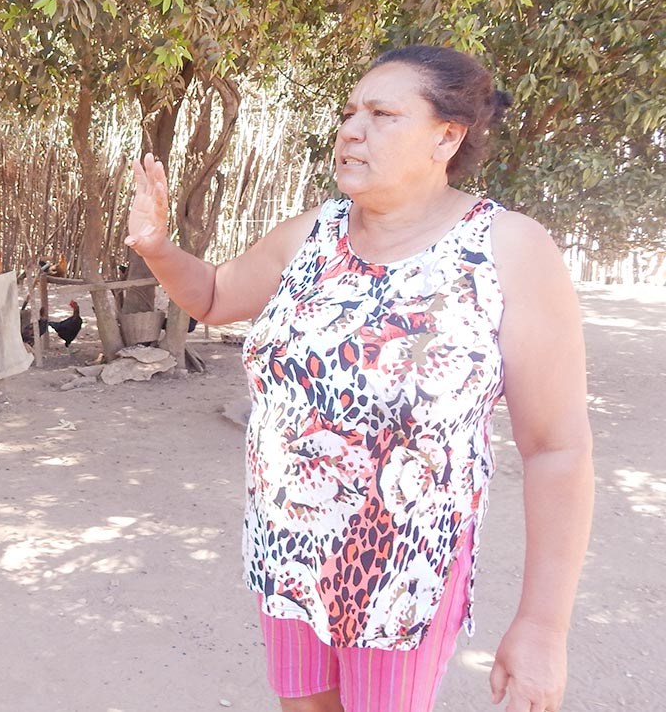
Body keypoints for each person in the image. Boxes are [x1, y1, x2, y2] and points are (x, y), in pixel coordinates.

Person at [125, 45, 593, 712]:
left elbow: (558, 448)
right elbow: (213, 296)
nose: (351, 129)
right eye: (349, 112)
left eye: (381, 114)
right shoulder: (315, 234)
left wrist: (545, 626)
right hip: (288, 550)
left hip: (402, 572)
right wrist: (158, 248)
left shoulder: (507, 250)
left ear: (446, 137)